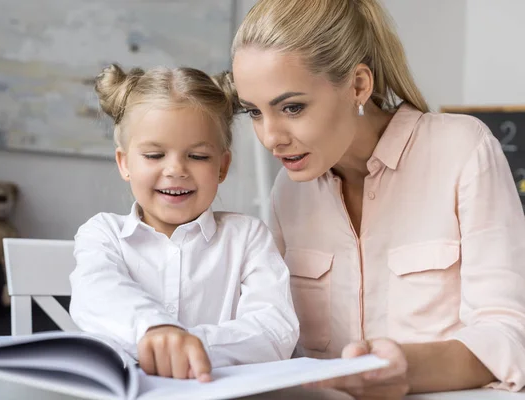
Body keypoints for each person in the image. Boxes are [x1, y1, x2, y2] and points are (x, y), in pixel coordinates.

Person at [229, 0, 525, 398]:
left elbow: (510, 334)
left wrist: (405, 370)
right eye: (254, 112)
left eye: (292, 107)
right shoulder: (289, 189)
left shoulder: (462, 149)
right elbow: (276, 334)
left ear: (358, 86)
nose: (270, 137)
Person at [68, 64, 299, 382]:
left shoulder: (248, 238)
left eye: (198, 156)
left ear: (222, 166)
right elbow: (97, 295)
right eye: (153, 155)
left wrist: (192, 344)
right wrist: (156, 330)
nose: (175, 170)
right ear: (125, 163)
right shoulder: (102, 234)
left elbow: (275, 331)